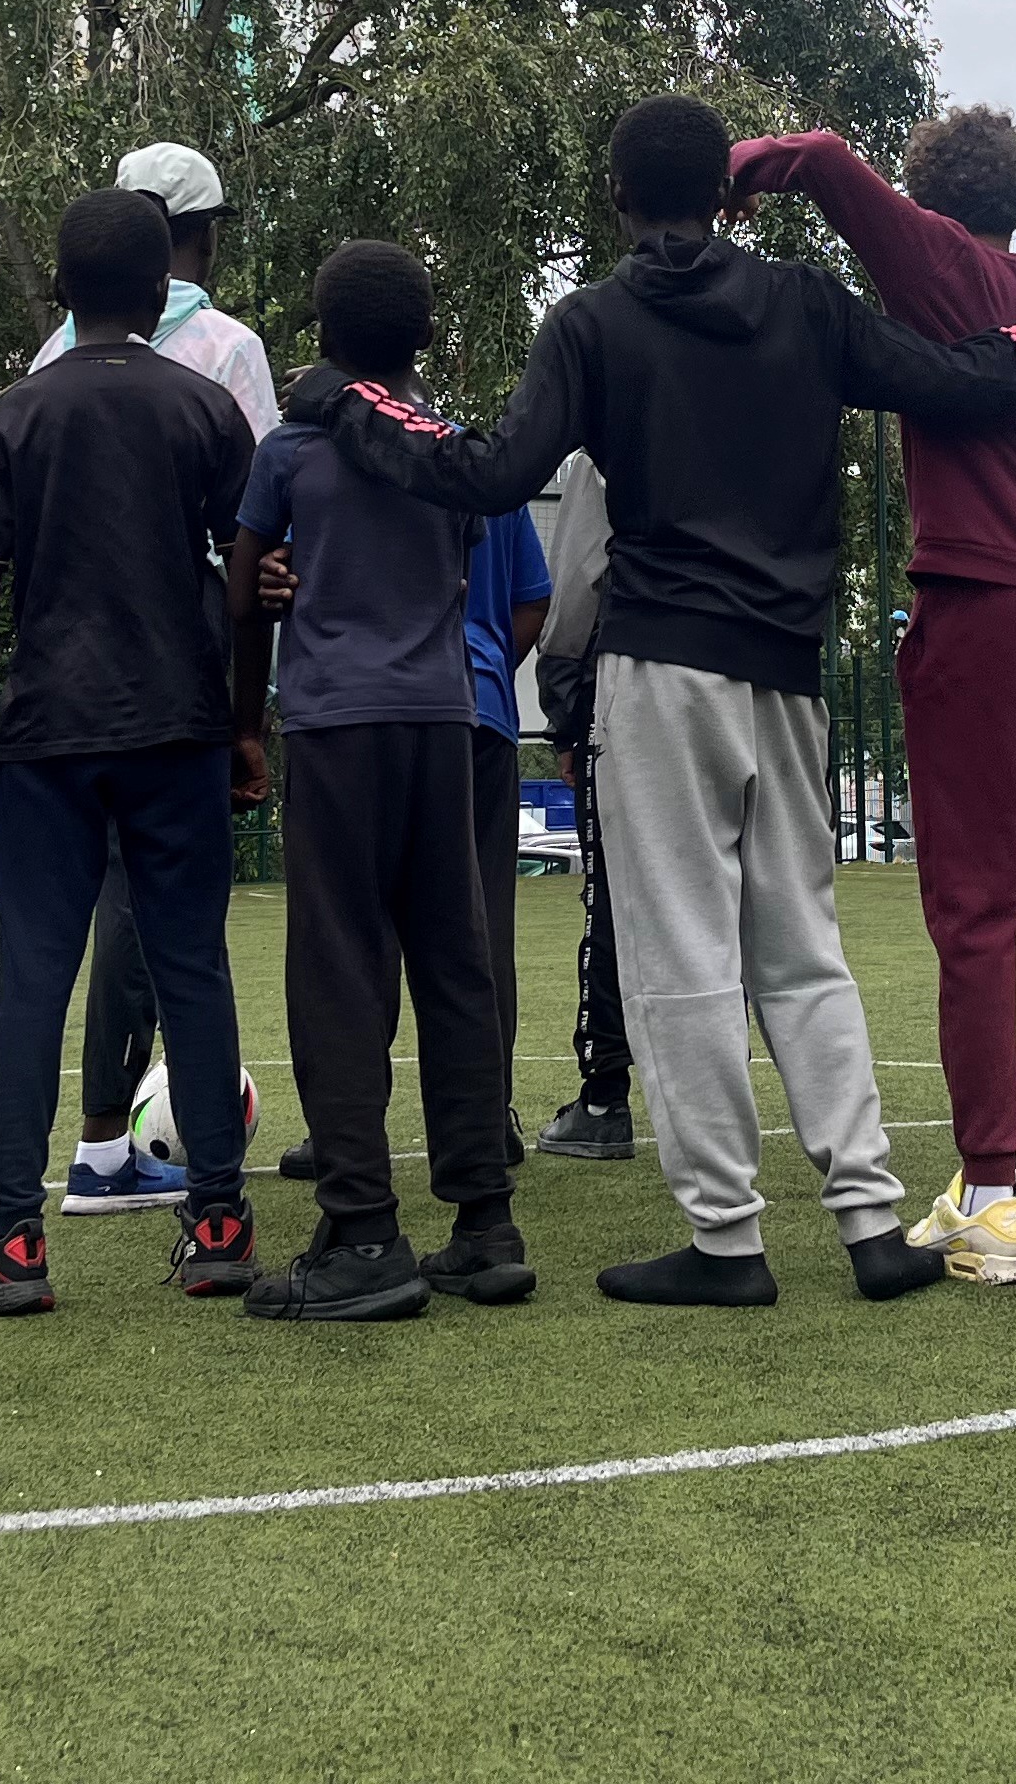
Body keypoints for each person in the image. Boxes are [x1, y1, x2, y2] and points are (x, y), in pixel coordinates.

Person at [292, 94, 1016, 1307]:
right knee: (802, 949)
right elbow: (968, 376)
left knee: (679, 953)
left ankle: (727, 1240)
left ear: (619, 199)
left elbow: (494, 471)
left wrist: (352, 402)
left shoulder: (592, 323)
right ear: (725, 192)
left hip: (660, 665)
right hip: (785, 669)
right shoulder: (810, 306)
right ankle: (872, 1222)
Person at [725, 116, 1016, 1286]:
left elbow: (825, 161)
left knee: (974, 899)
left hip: (981, 595)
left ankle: (986, 1191)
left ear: (931, 193)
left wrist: (722, 176)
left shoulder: (942, 267)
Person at [0, 189, 266, 1316]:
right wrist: (246, 720)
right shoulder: (209, 409)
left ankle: (7, 1242)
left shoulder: (17, 414)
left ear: (61, 294)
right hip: (178, 726)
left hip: (50, 732)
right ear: (166, 288)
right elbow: (249, 577)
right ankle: (218, 1223)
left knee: (32, 976)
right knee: (193, 968)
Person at [227, 242, 525, 1320]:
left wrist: (241, 723)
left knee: (341, 968)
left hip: (338, 725)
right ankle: (486, 1224)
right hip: (445, 720)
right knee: (456, 960)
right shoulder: (446, 447)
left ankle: (362, 1233)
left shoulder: (292, 448)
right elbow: (460, 555)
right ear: (423, 341)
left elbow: (244, 581)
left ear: (321, 338)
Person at [34, 143, 279, 1216]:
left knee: (94, 912)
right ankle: (127, 1160)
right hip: (182, 668)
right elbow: (262, 538)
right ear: (193, 229)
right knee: (167, 916)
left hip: (61, 672)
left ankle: (99, 1146)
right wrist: (249, 707)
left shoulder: (52, 351)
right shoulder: (228, 348)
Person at [529, 453, 642, 1159]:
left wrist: (566, 711)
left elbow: (573, 593)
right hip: (760, 673)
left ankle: (604, 1094)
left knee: (613, 897)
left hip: (635, 681)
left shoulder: (602, 450)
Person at [463, 496, 554, 1161]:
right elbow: (534, 599)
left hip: (360, 715)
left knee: (353, 930)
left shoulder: (333, 448)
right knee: (484, 918)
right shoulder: (485, 476)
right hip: (479, 709)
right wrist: (491, 659)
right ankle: (487, 1116)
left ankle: (344, 1132)